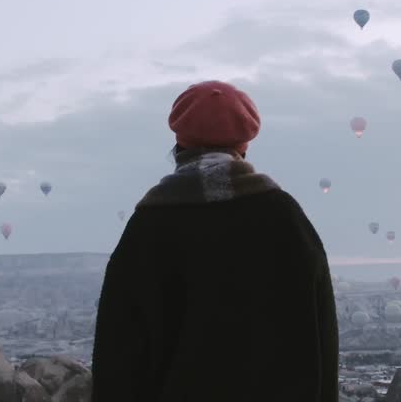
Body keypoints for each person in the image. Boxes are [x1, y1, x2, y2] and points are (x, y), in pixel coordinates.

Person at [91, 80, 339, 401]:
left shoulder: (151, 222)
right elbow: (323, 337)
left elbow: (119, 349)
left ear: (179, 146)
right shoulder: (285, 217)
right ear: (244, 146)